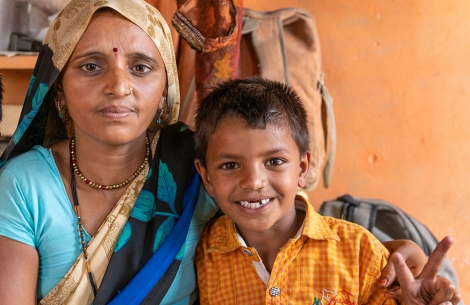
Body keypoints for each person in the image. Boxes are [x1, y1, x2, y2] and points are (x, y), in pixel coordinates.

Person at [0, 1, 451, 304]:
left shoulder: (194, 168)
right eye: (91, 66)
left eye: (141, 67)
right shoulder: (24, 185)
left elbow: (286, 233)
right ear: (57, 88)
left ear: (167, 90)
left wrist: (399, 249)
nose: (119, 86)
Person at [193, 76, 461, 305]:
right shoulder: (199, 256)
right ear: (206, 177)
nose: (253, 182)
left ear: (302, 168)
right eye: (230, 165)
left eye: (274, 161)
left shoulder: (359, 252)